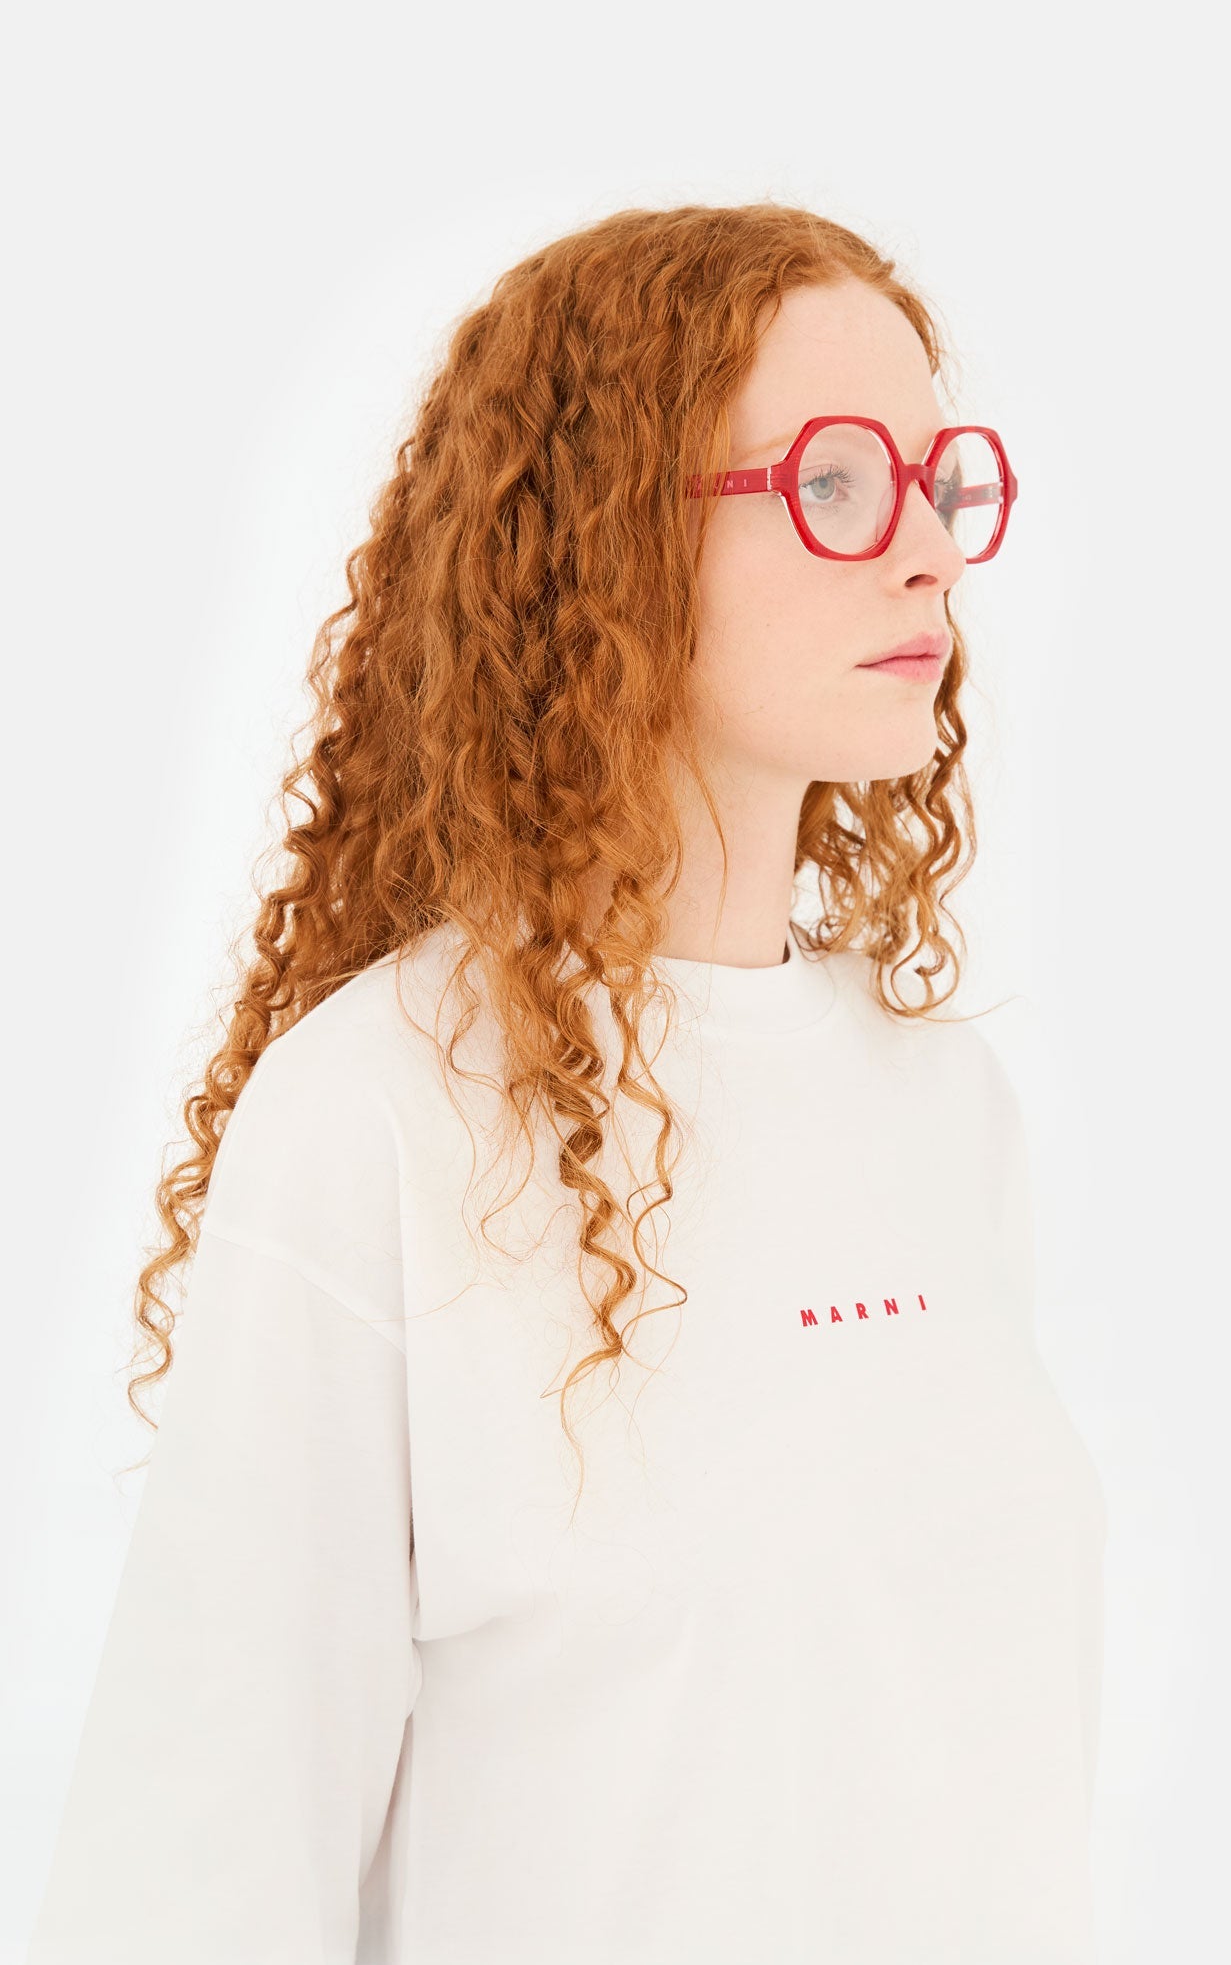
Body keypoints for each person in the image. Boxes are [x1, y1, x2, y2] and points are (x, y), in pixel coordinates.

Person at [26, 201, 1108, 1964]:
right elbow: (201, 1870)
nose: (927, 553)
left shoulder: (941, 1102)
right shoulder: (380, 1113)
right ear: (604, 540)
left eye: (937, 481)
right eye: (836, 483)